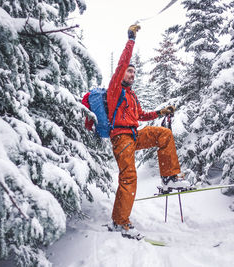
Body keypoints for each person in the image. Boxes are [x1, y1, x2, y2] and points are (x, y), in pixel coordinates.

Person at [92, 24, 190, 239]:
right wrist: (131, 40)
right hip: (121, 138)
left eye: (134, 72)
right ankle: (120, 222)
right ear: (122, 73)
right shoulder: (115, 89)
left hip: (134, 136)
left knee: (163, 135)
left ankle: (170, 177)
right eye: (130, 71)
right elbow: (122, 63)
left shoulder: (131, 95)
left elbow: (140, 116)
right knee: (129, 177)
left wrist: (160, 111)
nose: (132, 74)